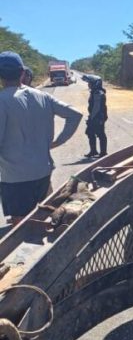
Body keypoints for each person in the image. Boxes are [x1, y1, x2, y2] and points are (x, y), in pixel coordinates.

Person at [0, 51, 82, 224]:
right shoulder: (42, 96)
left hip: (16, 178)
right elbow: (75, 115)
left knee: (21, 226)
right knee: (46, 216)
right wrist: (58, 141)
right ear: (22, 72)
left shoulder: (2, 101)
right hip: (43, 172)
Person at [83, 76, 107, 158]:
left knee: (100, 134)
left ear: (95, 84)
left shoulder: (98, 93)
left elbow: (96, 108)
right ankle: (93, 151)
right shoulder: (94, 92)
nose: (88, 84)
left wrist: (91, 118)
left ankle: (103, 153)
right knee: (90, 133)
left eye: (90, 83)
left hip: (98, 117)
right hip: (95, 116)